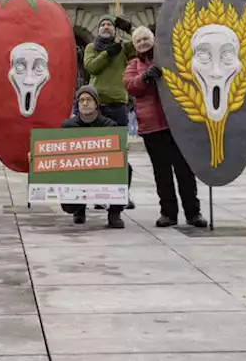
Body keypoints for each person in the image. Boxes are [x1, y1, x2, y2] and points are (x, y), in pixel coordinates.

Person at [124, 27, 206, 228]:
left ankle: (193, 212)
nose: (143, 43)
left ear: (153, 39)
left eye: (146, 39)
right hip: (152, 127)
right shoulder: (133, 64)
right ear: (135, 45)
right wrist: (145, 78)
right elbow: (130, 85)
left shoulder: (168, 58)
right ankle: (168, 213)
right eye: (139, 40)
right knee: (162, 173)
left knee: (184, 170)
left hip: (176, 124)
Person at [83, 14, 136, 209]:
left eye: (110, 24)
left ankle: (122, 193)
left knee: (119, 153)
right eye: (103, 24)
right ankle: (98, 195)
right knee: (97, 153)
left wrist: (130, 27)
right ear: (98, 29)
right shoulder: (91, 48)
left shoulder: (123, 47)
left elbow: (143, 42)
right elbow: (91, 67)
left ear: (115, 29)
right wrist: (107, 53)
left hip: (117, 106)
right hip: (97, 107)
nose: (106, 26)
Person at [60, 85, 125, 229]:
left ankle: (115, 213)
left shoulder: (110, 126)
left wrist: (123, 149)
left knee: (126, 168)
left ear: (96, 103)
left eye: (88, 99)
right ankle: (78, 209)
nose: (84, 103)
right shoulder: (67, 126)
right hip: (77, 173)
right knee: (68, 206)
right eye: (81, 100)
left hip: (102, 172)